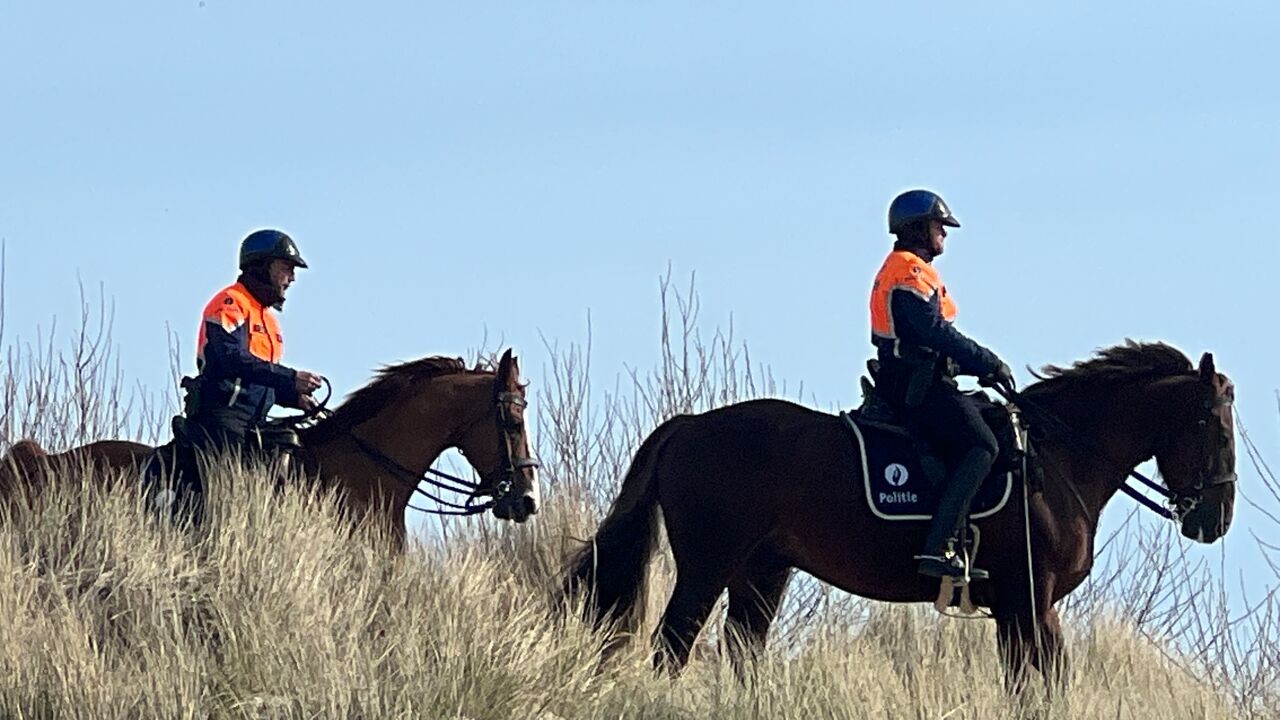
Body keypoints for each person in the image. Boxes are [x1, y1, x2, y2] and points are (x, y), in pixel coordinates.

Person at [868, 189, 1015, 581]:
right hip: (915, 386)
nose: (944, 235)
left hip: (919, 378)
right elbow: (932, 332)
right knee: (983, 445)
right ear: (917, 229)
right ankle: (939, 546)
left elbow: (932, 338)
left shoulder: (908, 268)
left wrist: (970, 366)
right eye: (939, 227)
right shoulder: (908, 271)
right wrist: (988, 361)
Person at [160, 229, 324, 520]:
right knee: (227, 486)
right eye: (286, 268)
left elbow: (260, 379)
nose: (292, 278)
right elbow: (229, 359)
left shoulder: (270, 322)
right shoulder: (230, 303)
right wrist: (289, 377)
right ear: (262, 266)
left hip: (253, 420)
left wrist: (293, 397)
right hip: (222, 415)